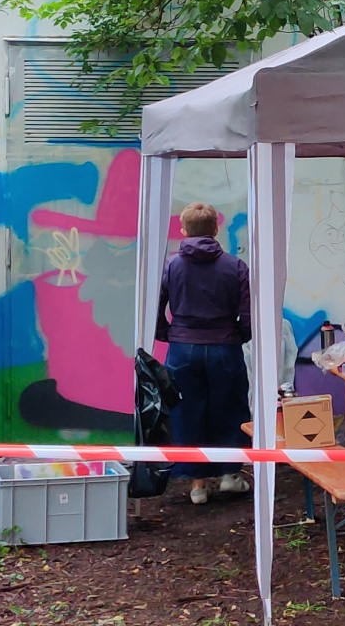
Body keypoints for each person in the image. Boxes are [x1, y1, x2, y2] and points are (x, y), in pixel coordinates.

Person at [156, 201, 253, 505]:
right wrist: (241, 335)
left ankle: (197, 484)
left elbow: (156, 305)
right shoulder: (235, 266)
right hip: (225, 345)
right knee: (230, 408)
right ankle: (229, 476)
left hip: (183, 348)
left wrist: (166, 333)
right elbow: (248, 311)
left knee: (187, 412)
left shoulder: (171, 265)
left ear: (183, 230)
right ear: (215, 229)